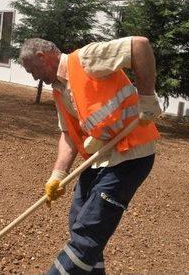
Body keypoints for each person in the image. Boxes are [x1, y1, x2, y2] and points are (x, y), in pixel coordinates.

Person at [18, 37, 163, 275]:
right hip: (100, 159)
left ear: (42, 58)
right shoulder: (58, 90)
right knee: (78, 220)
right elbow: (68, 135)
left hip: (130, 155)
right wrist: (57, 175)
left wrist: (147, 98)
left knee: (87, 234)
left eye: (32, 70)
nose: (34, 78)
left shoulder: (85, 59)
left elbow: (140, 45)